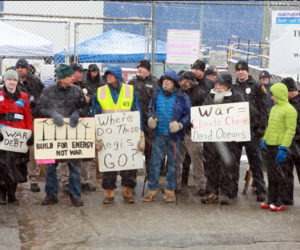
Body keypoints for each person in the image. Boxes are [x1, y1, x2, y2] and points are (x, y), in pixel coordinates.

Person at [37, 64, 89, 207]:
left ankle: (75, 195)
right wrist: (52, 114)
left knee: (74, 166)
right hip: (53, 134)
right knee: (50, 166)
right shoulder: (48, 91)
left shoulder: (77, 91)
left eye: (72, 75)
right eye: (68, 76)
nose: (72, 78)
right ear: (61, 78)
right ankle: (51, 194)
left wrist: (78, 113)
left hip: (72, 134)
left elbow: (84, 107)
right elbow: (40, 107)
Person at [92, 65, 145, 204]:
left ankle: (127, 190)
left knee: (129, 162)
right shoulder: (100, 91)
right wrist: (95, 135)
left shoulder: (130, 90)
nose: (108, 76)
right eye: (107, 74)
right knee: (109, 162)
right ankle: (109, 192)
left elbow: (137, 111)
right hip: (107, 134)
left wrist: (141, 133)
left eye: (111, 74)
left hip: (127, 134)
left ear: (118, 76)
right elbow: (95, 113)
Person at [142, 70, 191, 203]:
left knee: (173, 164)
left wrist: (180, 125)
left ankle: (170, 190)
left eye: (169, 79)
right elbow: (151, 109)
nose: (165, 81)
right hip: (158, 135)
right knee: (154, 163)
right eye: (164, 79)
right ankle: (152, 189)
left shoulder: (182, 96)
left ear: (174, 82)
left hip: (174, 137)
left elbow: (188, 114)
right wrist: (150, 118)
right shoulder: (156, 94)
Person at [201, 73, 245, 205]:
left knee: (228, 167)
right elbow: (203, 112)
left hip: (230, 141)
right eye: (217, 84)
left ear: (227, 86)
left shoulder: (237, 97)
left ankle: (227, 193)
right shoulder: (210, 96)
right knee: (211, 166)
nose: (218, 86)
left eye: (221, 84)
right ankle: (212, 191)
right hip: (212, 141)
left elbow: (243, 116)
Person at [234, 60, 268, 202]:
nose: (240, 72)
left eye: (243, 70)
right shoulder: (232, 86)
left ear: (248, 71)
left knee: (255, 162)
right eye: (238, 70)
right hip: (235, 130)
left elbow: (264, 109)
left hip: (252, 131)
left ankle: (260, 189)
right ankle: (231, 190)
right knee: (234, 162)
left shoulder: (257, 86)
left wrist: (260, 129)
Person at [59, 63, 96, 193]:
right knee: (66, 152)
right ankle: (66, 181)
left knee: (84, 152)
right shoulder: (63, 85)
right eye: (78, 72)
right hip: (67, 122)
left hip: (82, 122)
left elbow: (93, 98)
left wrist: (88, 99)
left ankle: (84, 180)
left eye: (82, 72)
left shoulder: (84, 85)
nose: (81, 75)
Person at [260, 83, 297, 211]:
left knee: (281, 175)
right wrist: (264, 140)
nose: (271, 98)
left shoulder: (290, 110)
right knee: (271, 174)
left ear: (279, 95)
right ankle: (271, 199)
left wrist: (284, 147)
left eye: (273, 95)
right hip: (270, 145)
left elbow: (290, 130)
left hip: (280, 146)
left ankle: (280, 201)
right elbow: (270, 127)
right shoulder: (274, 109)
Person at [0, 70, 33, 205]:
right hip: (3, 137)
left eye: (14, 80)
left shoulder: (23, 97)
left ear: (17, 81)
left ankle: (12, 194)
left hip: (18, 138)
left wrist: (30, 133)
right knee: (2, 166)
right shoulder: (0, 96)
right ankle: (2, 195)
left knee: (16, 166)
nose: (12, 82)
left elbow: (28, 117)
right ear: (5, 81)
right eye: (9, 80)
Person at [176, 71, 207, 196]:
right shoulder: (178, 93)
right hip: (179, 131)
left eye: (188, 82)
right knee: (176, 159)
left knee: (197, 160)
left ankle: (201, 186)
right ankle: (175, 184)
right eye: (184, 81)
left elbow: (205, 112)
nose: (186, 84)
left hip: (194, 132)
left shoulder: (201, 94)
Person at [16, 59, 44, 193]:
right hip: (16, 122)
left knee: (32, 151)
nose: (20, 69)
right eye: (18, 67)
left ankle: (34, 180)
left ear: (27, 69)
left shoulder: (36, 83)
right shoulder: (12, 82)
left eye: (22, 67)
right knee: (17, 151)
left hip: (32, 120)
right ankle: (16, 179)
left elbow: (41, 101)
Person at [128, 59, 158, 181]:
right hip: (134, 121)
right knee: (134, 149)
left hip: (149, 122)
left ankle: (150, 177)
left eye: (142, 67)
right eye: (138, 68)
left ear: (148, 69)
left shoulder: (155, 82)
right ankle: (131, 178)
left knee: (149, 151)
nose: (139, 69)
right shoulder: (132, 82)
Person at [281, 77, 300, 204]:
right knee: (286, 172)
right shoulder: (287, 102)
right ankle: (287, 199)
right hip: (289, 142)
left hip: (298, 141)